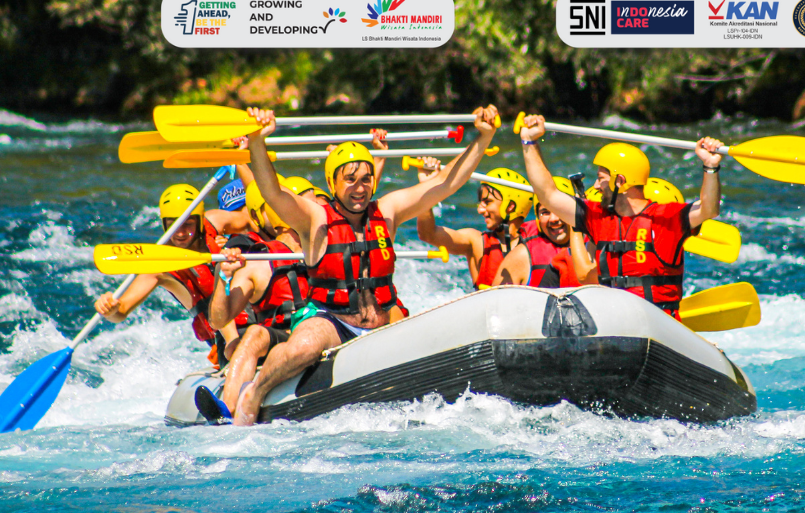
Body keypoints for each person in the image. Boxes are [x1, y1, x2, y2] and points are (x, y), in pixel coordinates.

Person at [231, 104, 501, 425]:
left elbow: (445, 183)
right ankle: (255, 392)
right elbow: (273, 193)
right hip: (333, 322)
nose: (359, 188)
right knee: (303, 347)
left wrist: (484, 138)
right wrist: (258, 142)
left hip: (382, 320)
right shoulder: (314, 218)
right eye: (350, 180)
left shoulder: (387, 211)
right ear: (332, 183)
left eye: (365, 179)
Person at [517, 114, 724, 320]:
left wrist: (710, 166)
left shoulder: (666, 218)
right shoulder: (597, 217)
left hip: (657, 324)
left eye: (601, 179)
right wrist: (529, 142)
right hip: (614, 323)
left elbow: (709, 209)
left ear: (620, 181)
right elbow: (548, 194)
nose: (596, 186)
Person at [197, 177, 310, 423]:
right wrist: (223, 277)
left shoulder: (324, 242)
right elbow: (218, 320)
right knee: (255, 334)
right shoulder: (253, 257)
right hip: (283, 335)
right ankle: (228, 411)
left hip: (323, 328)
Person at [93, 184, 240, 362]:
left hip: (254, 312)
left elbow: (257, 223)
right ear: (164, 224)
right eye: (173, 225)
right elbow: (122, 311)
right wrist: (111, 310)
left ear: (200, 221)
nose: (180, 233)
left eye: (188, 224)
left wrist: (234, 242)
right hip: (225, 340)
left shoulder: (216, 222)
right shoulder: (159, 267)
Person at [416, 166, 534, 290]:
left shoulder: (537, 244)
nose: (480, 210)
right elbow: (428, 234)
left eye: (487, 202)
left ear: (510, 206)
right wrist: (426, 187)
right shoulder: (476, 243)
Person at [492, 176, 579, 288]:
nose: (553, 219)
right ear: (538, 218)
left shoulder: (592, 247)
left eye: (560, 209)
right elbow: (497, 298)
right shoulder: (521, 256)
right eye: (545, 212)